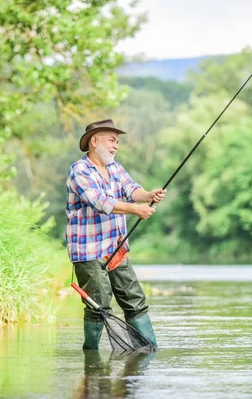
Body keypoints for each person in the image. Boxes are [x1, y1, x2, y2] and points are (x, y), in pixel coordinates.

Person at [66, 119, 166, 350]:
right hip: (88, 251)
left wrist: (148, 194)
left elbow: (131, 189)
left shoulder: (115, 167)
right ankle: (91, 356)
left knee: (135, 301)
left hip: (116, 247)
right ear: (95, 141)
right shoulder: (79, 171)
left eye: (117, 141)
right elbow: (100, 202)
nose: (116, 145)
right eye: (112, 140)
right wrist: (135, 209)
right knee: (98, 306)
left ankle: (148, 351)